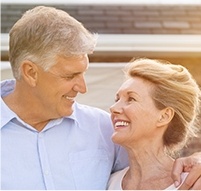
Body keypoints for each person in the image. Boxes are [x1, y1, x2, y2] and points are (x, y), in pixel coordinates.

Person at [0, 6, 200, 190]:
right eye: (70, 76)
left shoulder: (103, 129)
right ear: (31, 72)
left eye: (83, 74)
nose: (82, 88)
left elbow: (152, 160)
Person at [107, 58, 201, 190]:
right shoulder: (108, 182)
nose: (113, 108)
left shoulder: (193, 183)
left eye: (131, 99)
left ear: (164, 116)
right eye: (117, 99)